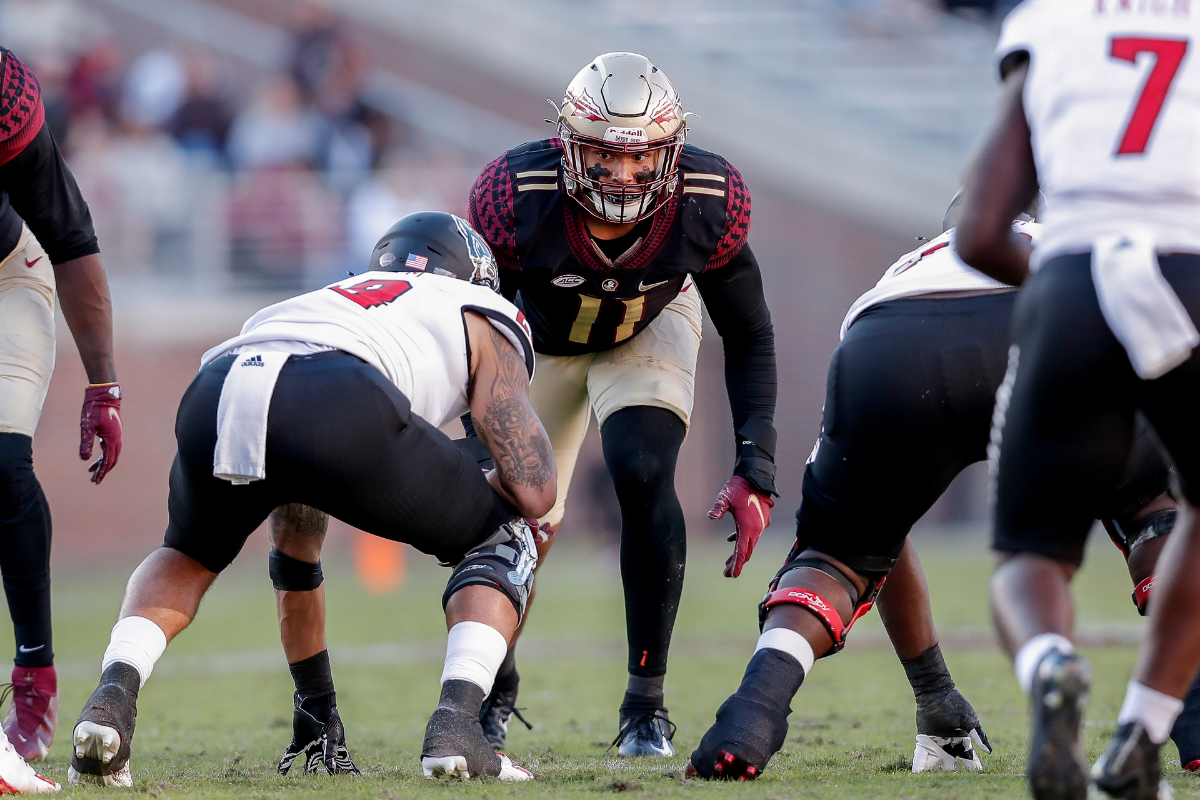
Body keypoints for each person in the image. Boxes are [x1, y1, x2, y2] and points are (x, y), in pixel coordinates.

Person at [685, 200, 1185, 781]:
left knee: (837, 558)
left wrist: (935, 691)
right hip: (1052, 321)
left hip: (893, 343)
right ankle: (1194, 714)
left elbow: (881, 537)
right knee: (1157, 511)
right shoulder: (1077, 243)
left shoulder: (904, 271)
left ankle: (749, 719)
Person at [67, 212, 555, 786]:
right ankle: (457, 726)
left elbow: (296, 542)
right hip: (337, 390)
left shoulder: (326, 298)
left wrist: (315, 700)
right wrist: (488, 497)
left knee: (189, 554)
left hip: (220, 384)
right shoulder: (481, 308)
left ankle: (113, 697)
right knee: (506, 538)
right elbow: (534, 487)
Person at [459, 50, 777, 757]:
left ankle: (646, 707)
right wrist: (479, 430)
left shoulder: (708, 198)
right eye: (604, 154)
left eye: (642, 157)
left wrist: (756, 455)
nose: (624, 174)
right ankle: (491, 688)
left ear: (673, 151)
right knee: (510, 516)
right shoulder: (518, 195)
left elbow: (749, 328)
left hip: (650, 325)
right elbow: (478, 319)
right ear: (569, 144)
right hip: (538, 342)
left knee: (642, 467)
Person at [952, 2, 1200, 797]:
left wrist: (1068, 299)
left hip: (1075, 281)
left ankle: (1049, 662)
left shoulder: (1049, 21)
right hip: (1193, 277)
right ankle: (1143, 730)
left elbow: (981, 231)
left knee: (1030, 553)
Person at [0, 48, 122, 765]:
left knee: (5, 463)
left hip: (6, 277)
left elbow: (70, 238)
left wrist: (102, 385)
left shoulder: (6, 99)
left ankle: (34, 677)